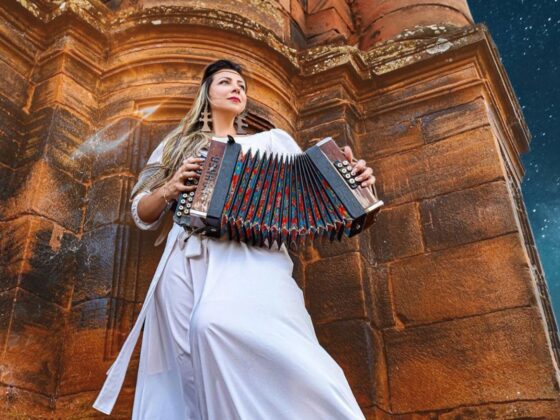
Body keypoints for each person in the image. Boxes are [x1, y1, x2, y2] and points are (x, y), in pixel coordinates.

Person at [93, 59, 376, 419]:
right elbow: (141, 212)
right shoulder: (176, 146)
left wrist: (353, 181)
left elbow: (317, 191)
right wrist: (168, 189)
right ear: (206, 94)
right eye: (225, 82)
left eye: (241, 85)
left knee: (256, 340)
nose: (236, 88)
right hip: (186, 259)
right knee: (188, 377)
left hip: (256, 256)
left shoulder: (273, 142)